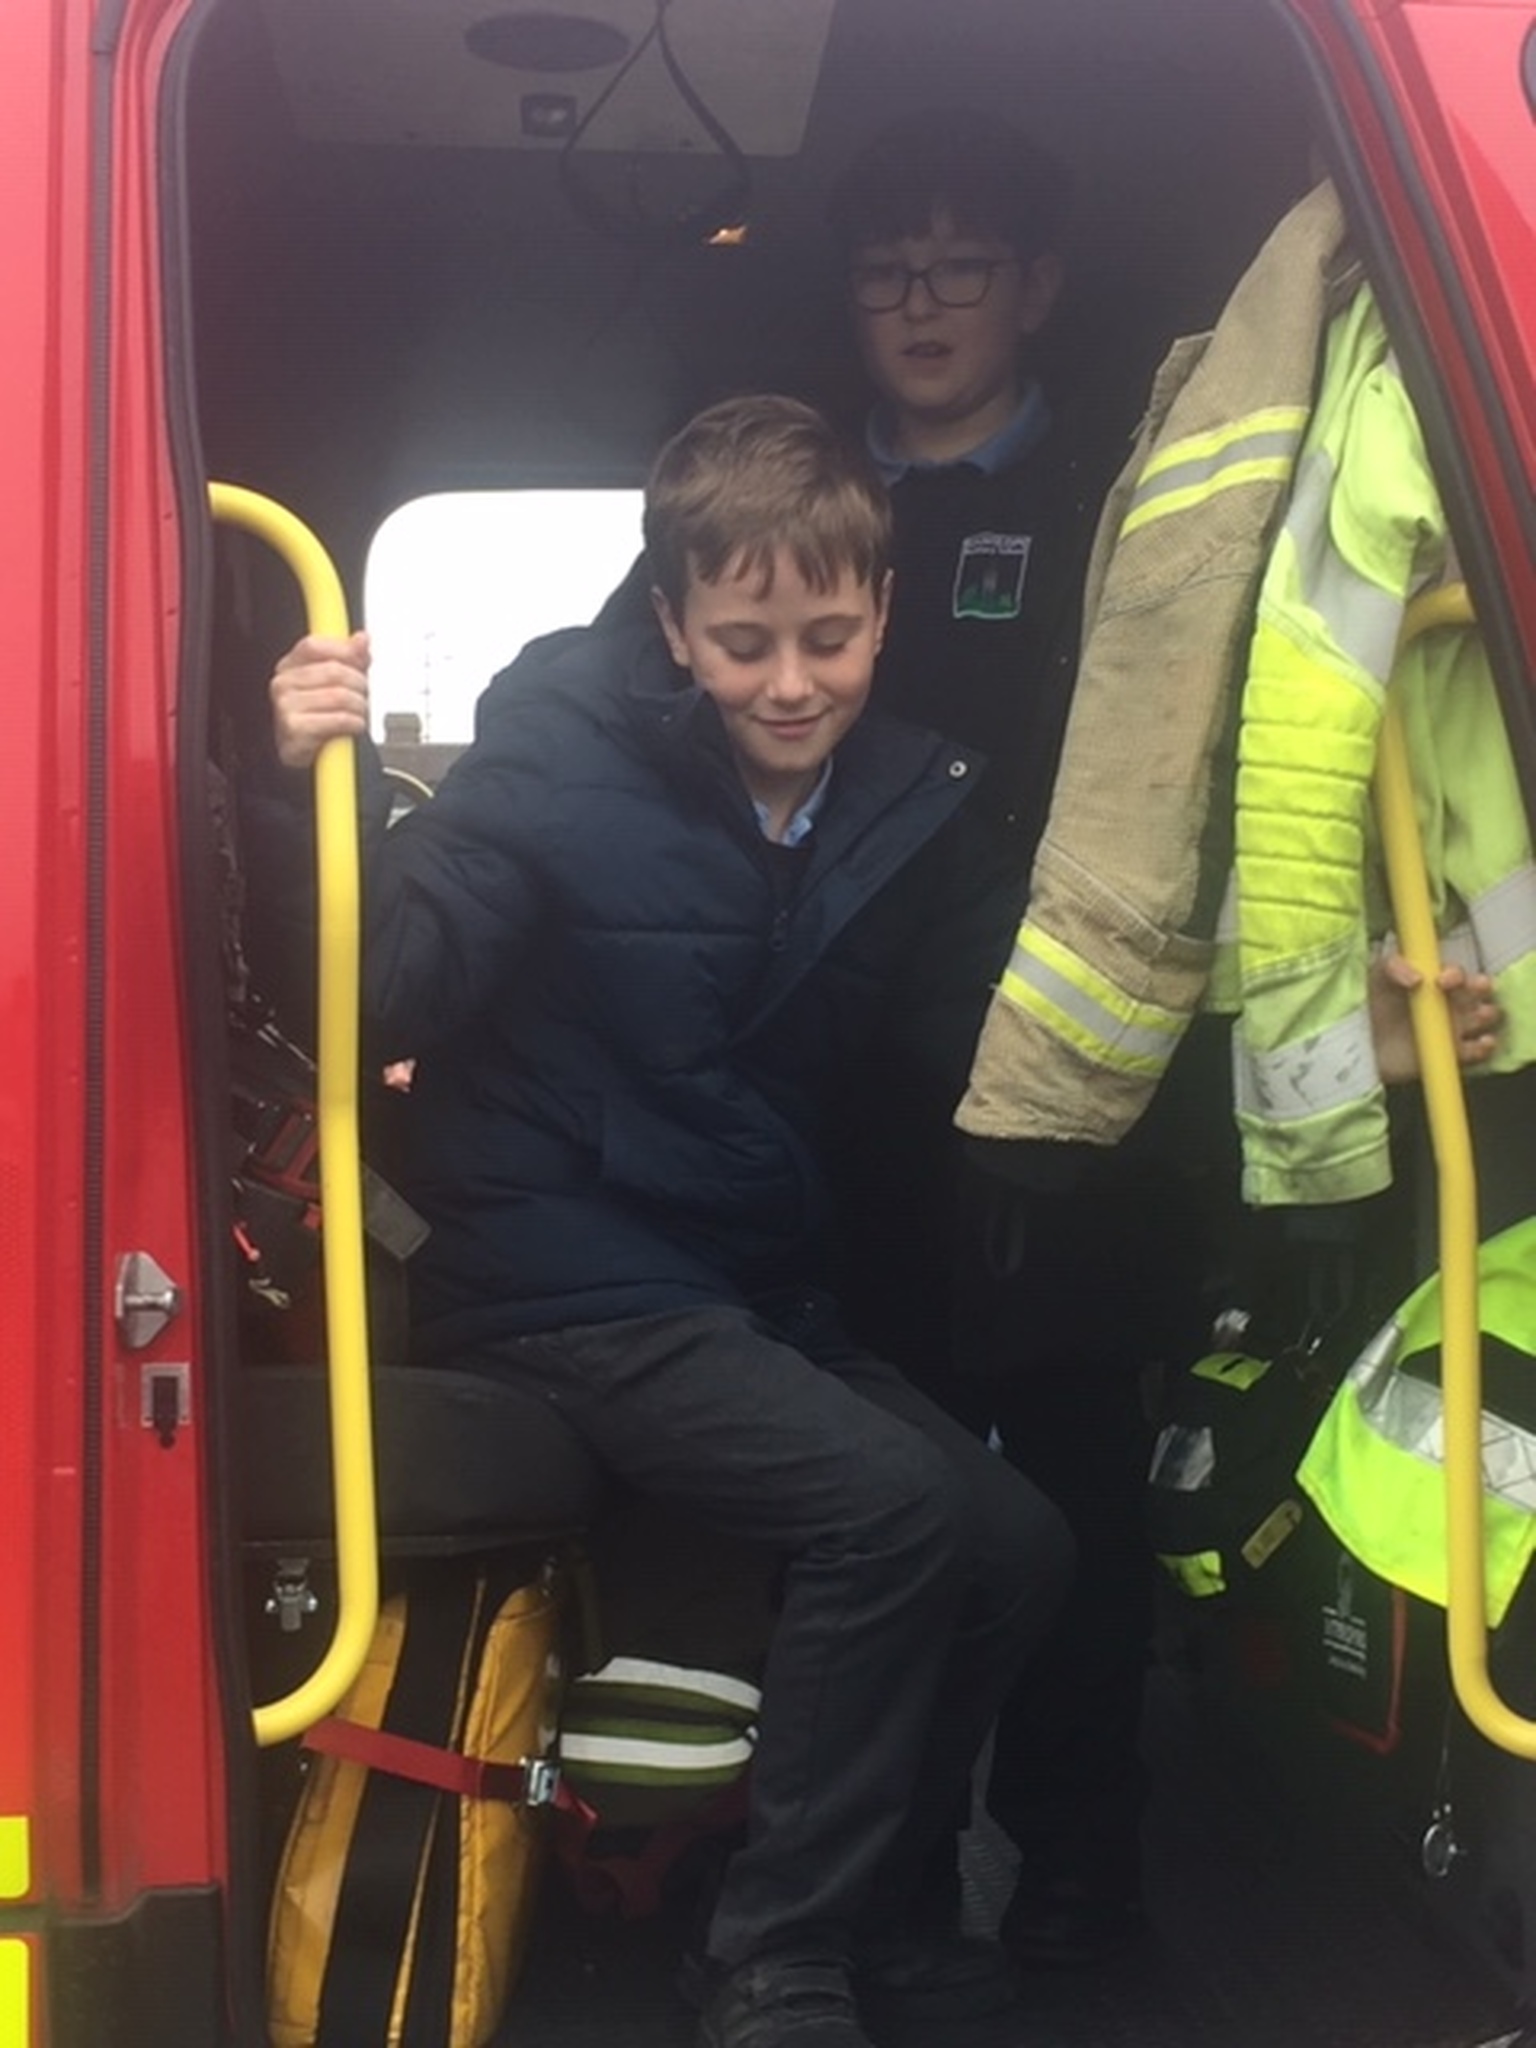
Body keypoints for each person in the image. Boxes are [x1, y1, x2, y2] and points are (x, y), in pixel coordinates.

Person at [244, 394, 1074, 2048]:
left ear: (884, 611)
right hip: (550, 1262)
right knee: (890, 1512)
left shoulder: (906, 794)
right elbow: (385, 978)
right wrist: (304, 792)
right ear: (676, 625)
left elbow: (989, 1021)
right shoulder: (562, 737)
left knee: (1015, 1545)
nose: (791, 683)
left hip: (736, 1278)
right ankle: (769, 1954)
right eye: (745, 643)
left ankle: (872, 1911)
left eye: (829, 639)